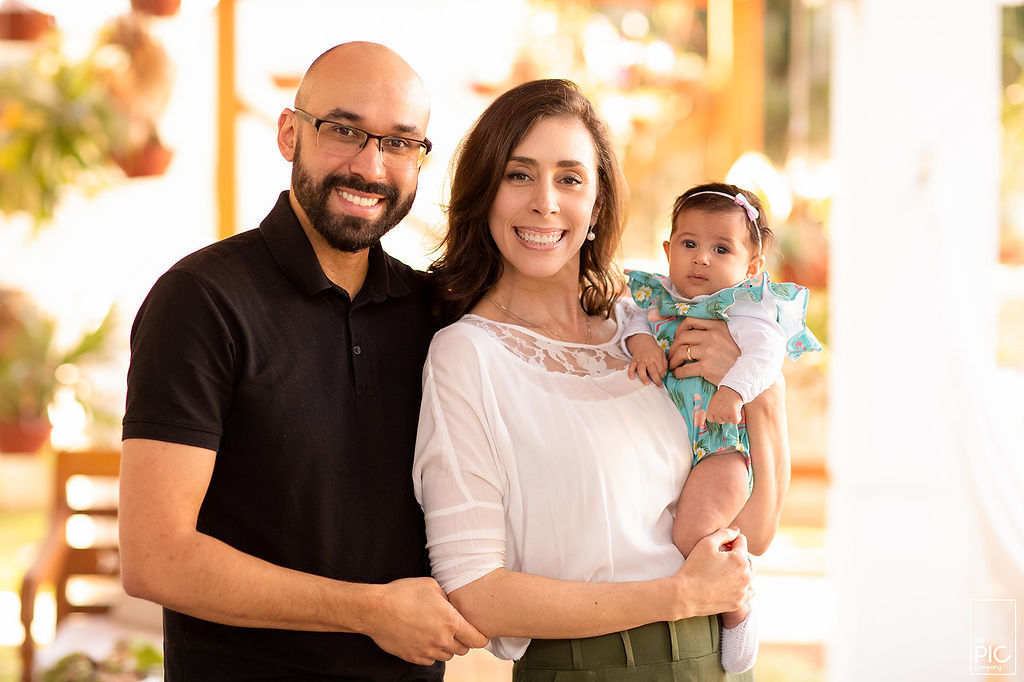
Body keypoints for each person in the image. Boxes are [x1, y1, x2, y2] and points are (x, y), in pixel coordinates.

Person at [118, 42, 487, 681]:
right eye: (344, 130)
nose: (370, 166)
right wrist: (369, 612)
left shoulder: (437, 314)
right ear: (290, 133)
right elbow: (155, 558)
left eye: (399, 142)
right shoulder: (201, 300)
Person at [414, 79, 791, 681]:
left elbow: (757, 533)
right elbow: (475, 593)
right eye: (519, 175)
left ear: (597, 204)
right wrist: (679, 597)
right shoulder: (467, 355)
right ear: (485, 193)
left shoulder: (647, 325)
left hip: (717, 665)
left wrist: (763, 395)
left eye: (570, 178)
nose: (545, 202)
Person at [623, 182, 822, 668]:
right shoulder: (656, 299)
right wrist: (643, 344)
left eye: (721, 249)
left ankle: (738, 604)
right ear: (667, 250)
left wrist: (732, 391)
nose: (701, 258)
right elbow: (630, 319)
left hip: (721, 447)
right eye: (689, 244)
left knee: (692, 534)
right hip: (676, 444)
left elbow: (766, 356)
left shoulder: (744, 308)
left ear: (752, 267)